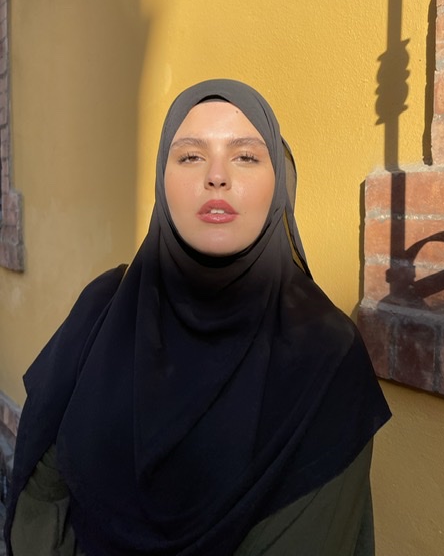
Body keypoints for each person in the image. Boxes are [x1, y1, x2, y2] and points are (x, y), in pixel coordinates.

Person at [5, 79, 391, 555]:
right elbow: (41, 497)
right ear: (161, 180)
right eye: (190, 156)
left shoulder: (324, 353)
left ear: (278, 184)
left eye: (245, 156)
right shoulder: (103, 309)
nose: (217, 176)